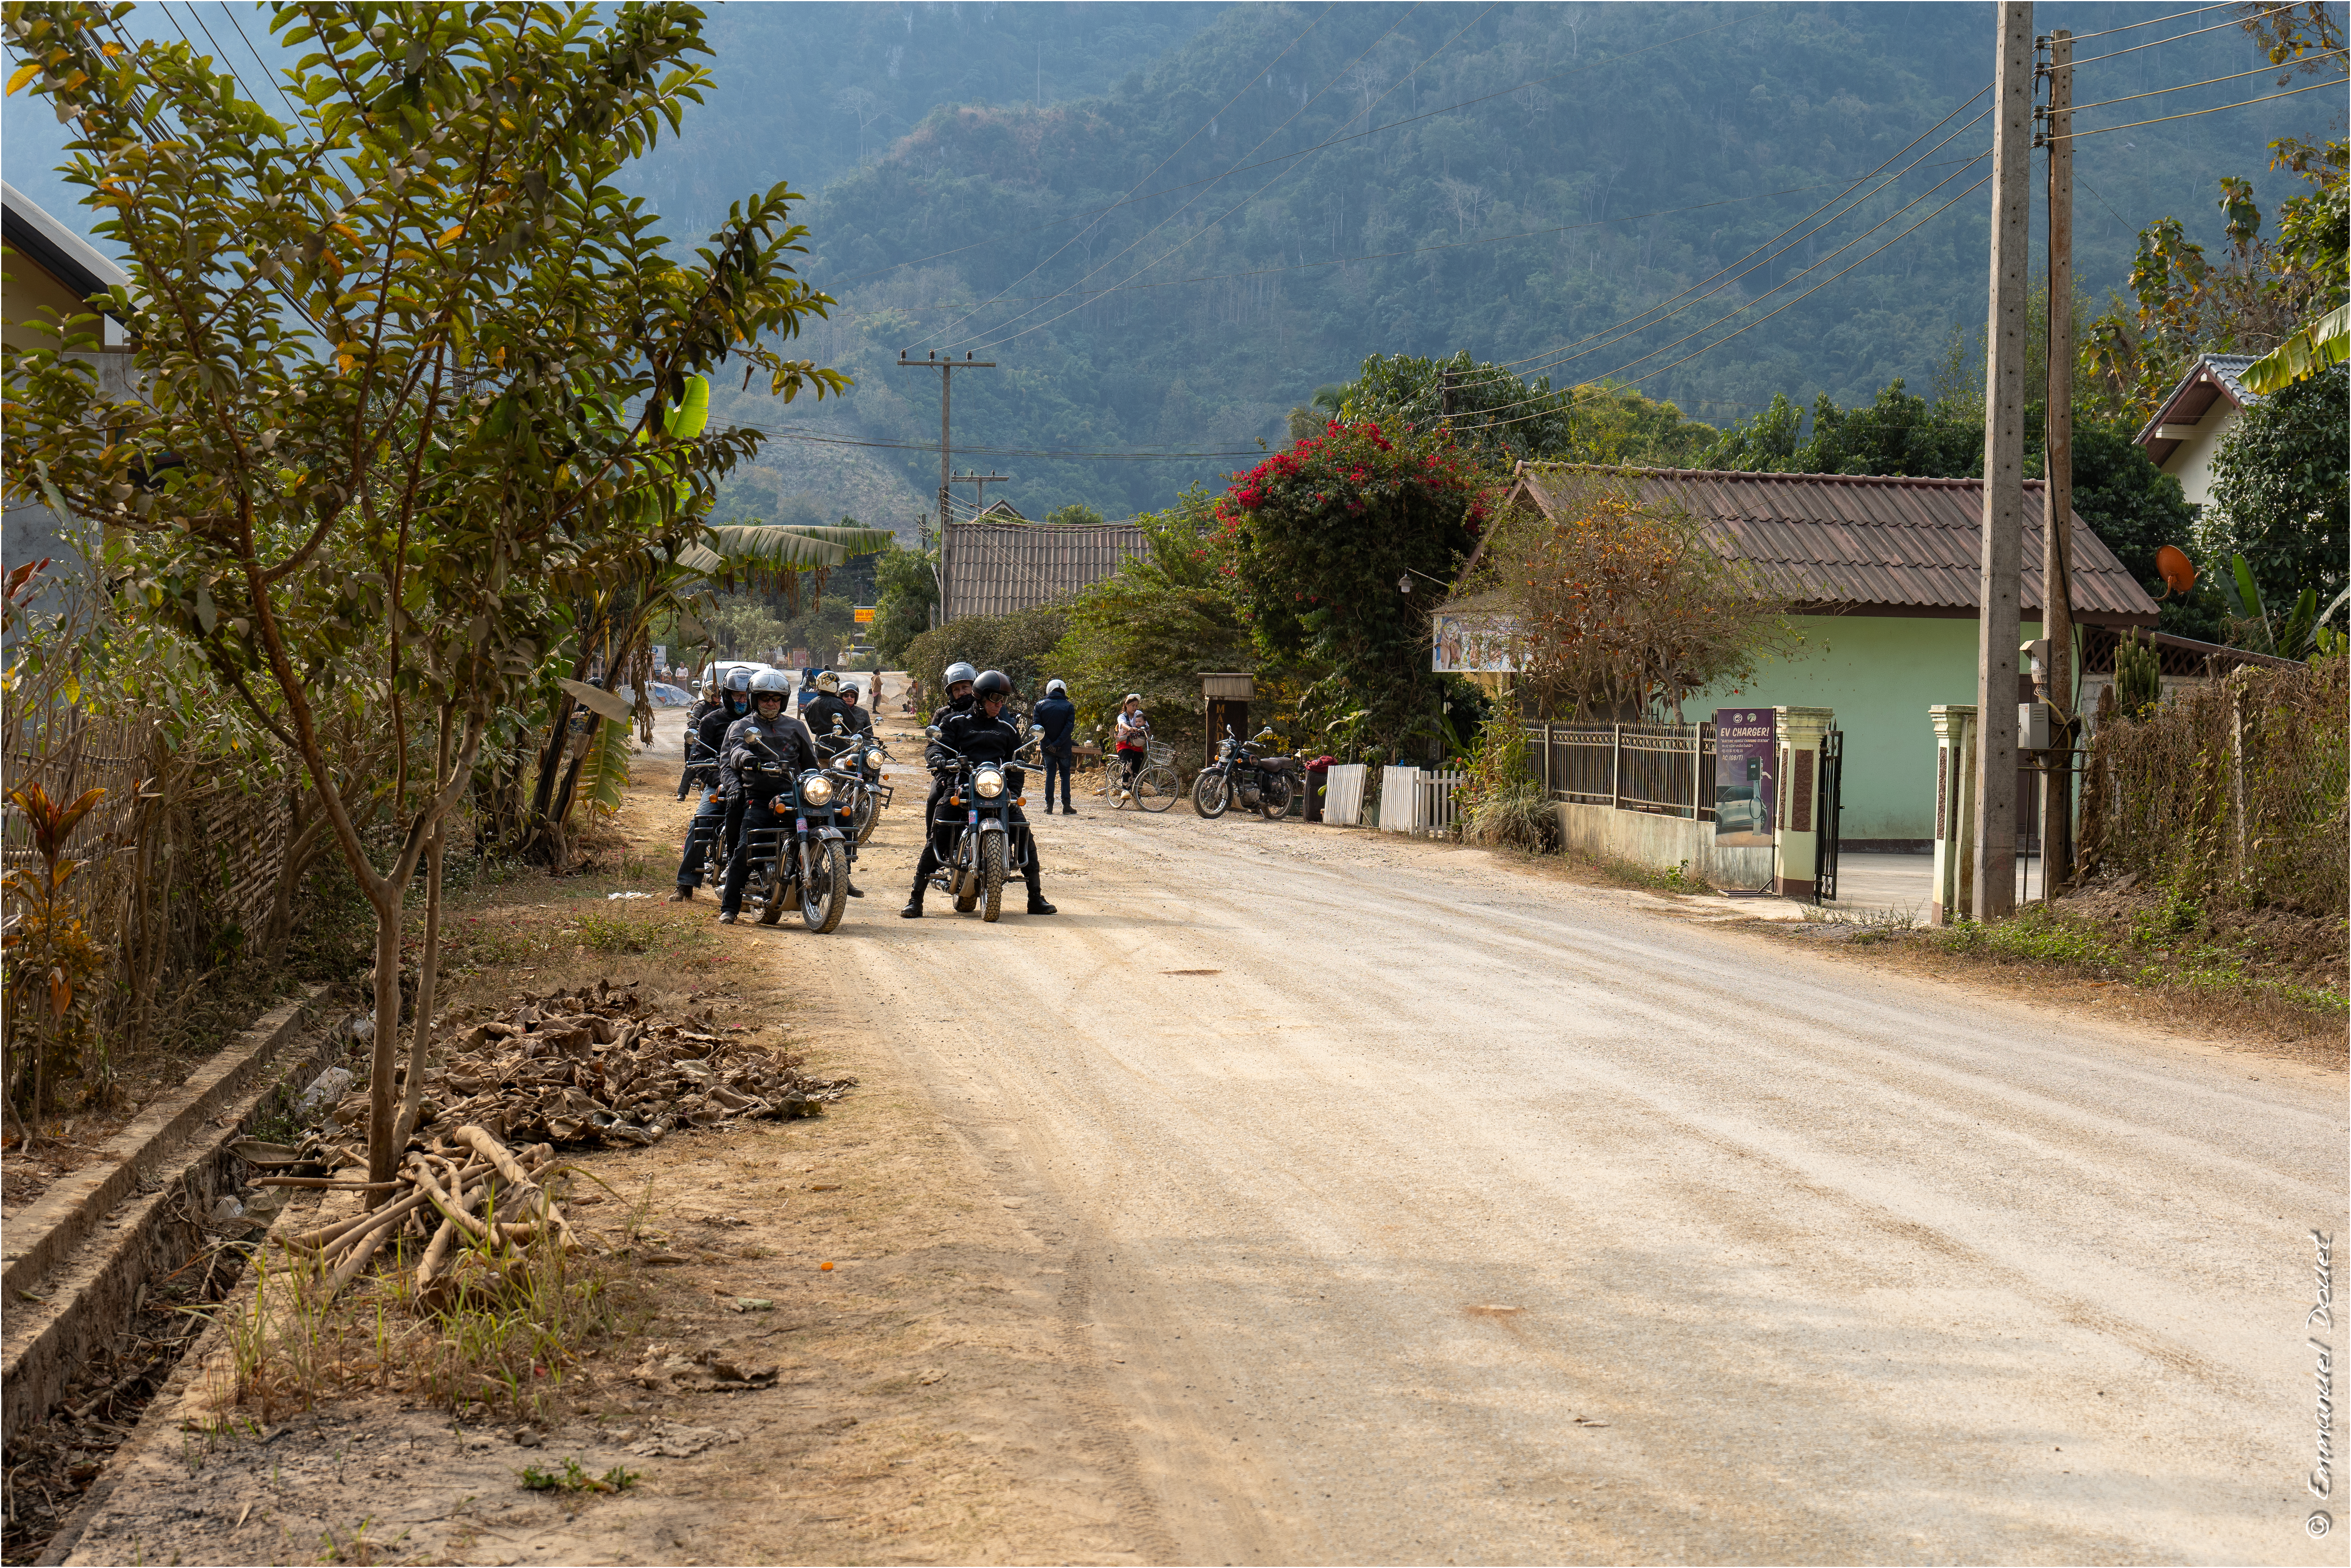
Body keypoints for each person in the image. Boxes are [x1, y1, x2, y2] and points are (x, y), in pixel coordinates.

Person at [905, 668, 1055, 917]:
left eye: (1003, 700)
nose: (999, 705)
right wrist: (940, 761)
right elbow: (936, 748)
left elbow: (1016, 762)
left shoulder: (1007, 729)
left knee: (1023, 832)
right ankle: (915, 898)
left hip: (995, 790)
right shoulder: (955, 723)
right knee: (939, 832)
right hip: (961, 788)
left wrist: (1013, 790)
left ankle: (1035, 897)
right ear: (981, 698)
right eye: (995, 699)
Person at [716, 670, 822, 923]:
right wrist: (747, 759)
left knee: (838, 814)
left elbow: (811, 764)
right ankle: (729, 907)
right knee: (746, 847)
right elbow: (735, 753)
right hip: (759, 795)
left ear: (783, 701)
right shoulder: (742, 727)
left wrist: (819, 778)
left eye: (776, 699)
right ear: (755, 699)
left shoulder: (796, 726)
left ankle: (840, 876)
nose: (771, 703)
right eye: (765, 698)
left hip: (794, 795)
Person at [671, 670, 752, 899]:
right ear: (727, 695)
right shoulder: (711, 721)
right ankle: (685, 883)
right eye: (737, 696)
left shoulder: (758, 722)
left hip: (753, 786)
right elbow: (697, 760)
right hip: (718, 784)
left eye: (746, 696)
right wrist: (719, 781)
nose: (742, 701)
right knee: (701, 823)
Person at [1034, 678, 1077, 815]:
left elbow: (1037, 728)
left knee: (1050, 774)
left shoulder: (1040, 705)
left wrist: (1049, 744)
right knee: (1065, 775)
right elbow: (1069, 727)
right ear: (1064, 691)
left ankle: (1049, 806)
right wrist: (1058, 743)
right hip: (1064, 748)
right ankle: (1066, 806)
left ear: (1049, 690)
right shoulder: (1069, 706)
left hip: (1047, 748)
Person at [802, 670, 857, 759]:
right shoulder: (840, 704)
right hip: (840, 751)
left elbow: (813, 730)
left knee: (821, 772)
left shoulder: (811, 704)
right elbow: (853, 726)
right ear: (832, 685)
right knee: (842, 773)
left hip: (820, 750)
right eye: (837, 685)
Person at [1113, 694, 1149, 800]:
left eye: (1137, 706)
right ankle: (1125, 789)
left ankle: (1137, 791)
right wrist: (1129, 729)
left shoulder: (1139, 714)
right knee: (1128, 763)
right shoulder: (1122, 716)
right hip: (1124, 744)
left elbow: (1145, 724)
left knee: (1139, 766)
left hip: (1137, 745)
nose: (1135, 708)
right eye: (1133, 705)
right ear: (1127, 705)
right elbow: (1122, 725)